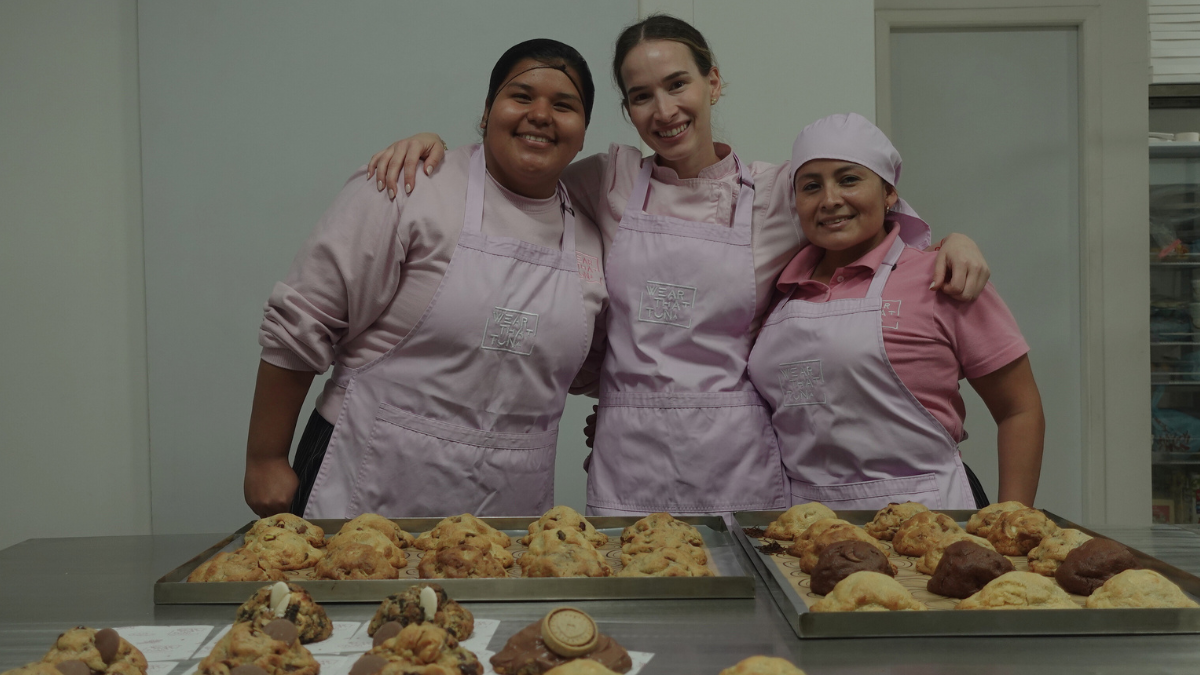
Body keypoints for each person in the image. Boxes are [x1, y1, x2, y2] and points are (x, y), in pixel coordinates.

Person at [365, 15, 992, 517]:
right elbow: (519, 171)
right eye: (641, 96)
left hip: (738, 456)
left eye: (677, 85)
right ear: (627, 109)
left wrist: (952, 240)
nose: (662, 110)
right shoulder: (607, 181)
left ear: (712, 83)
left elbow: (869, 217)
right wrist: (439, 149)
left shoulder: (776, 192)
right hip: (627, 451)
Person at [244, 39, 609, 519]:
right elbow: (304, 320)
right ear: (486, 112)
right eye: (521, 96)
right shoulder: (411, 186)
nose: (540, 114)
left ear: (582, 134)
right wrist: (265, 457)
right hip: (365, 482)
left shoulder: (589, 236)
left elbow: (588, 364)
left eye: (564, 105)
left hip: (509, 509)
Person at [746, 113, 1044, 510]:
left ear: (889, 193)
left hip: (929, 520)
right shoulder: (777, 289)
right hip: (805, 524)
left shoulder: (942, 278)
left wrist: (1013, 522)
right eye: (811, 186)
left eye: (849, 179)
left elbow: (1020, 409)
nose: (830, 199)